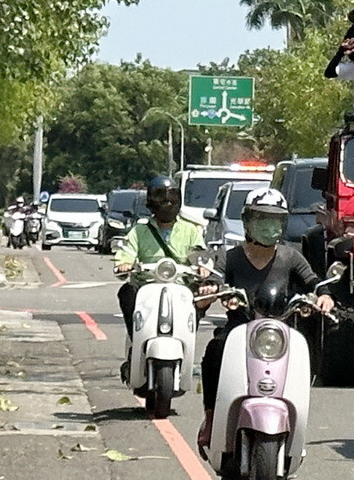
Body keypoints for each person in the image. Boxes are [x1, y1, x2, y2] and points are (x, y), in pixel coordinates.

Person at [195, 188, 336, 453]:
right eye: (261, 218)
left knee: (303, 355)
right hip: (238, 330)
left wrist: (324, 297)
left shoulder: (290, 257)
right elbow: (213, 279)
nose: (268, 225)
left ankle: (296, 421)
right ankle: (212, 417)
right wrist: (209, 290)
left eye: (275, 219)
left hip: (279, 334)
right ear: (247, 221)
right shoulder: (231, 257)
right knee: (214, 351)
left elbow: (313, 282)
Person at [113, 175, 206, 339]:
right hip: (146, 286)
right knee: (126, 292)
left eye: (172, 198)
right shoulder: (139, 231)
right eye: (161, 198)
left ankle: (189, 334)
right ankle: (136, 339)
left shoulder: (191, 230)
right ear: (151, 202)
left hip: (181, 286)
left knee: (203, 295)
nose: (167, 203)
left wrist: (202, 266)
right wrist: (125, 264)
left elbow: (199, 255)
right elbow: (127, 252)